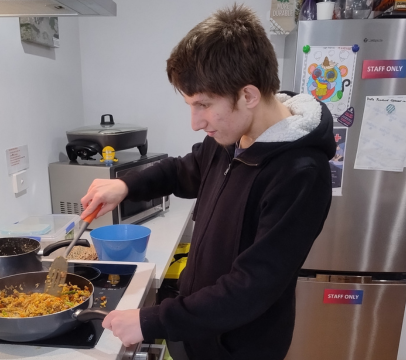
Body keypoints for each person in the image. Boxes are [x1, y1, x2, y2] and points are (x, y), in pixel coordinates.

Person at [80, 4, 335, 360]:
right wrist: (126, 186)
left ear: (248, 96)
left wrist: (151, 321)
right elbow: (184, 170)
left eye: (203, 105)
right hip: (197, 331)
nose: (195, 122)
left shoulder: (301, 173)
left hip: (240, 348)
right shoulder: (230, 138)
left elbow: (250, 288)